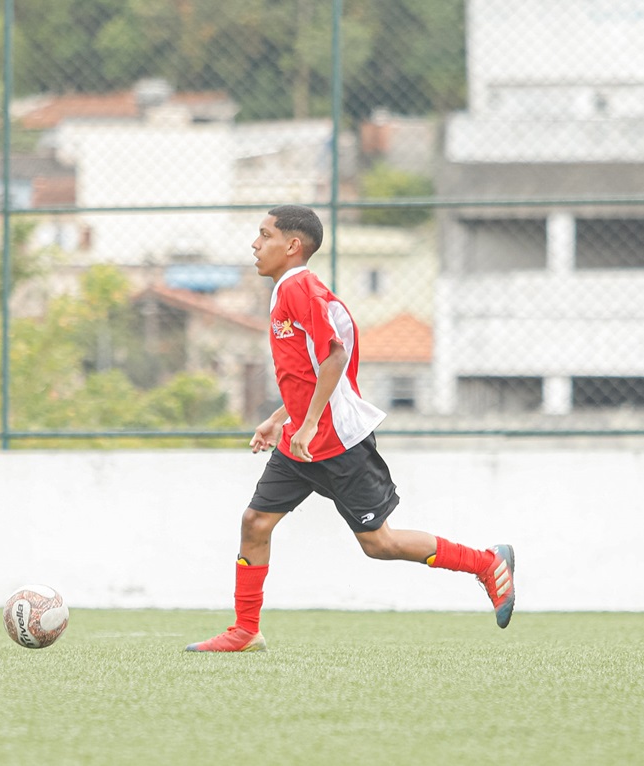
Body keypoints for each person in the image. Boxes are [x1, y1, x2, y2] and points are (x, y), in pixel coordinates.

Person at [186, 204, 515, 652]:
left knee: (380, 543)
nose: (255, 244)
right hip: (303, 440)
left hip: (338, 442)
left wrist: (309, 424)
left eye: (264, 235)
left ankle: (486, 563)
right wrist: (280, 419)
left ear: (292, 245)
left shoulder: (300, 288)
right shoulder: (287, 290)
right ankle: (246, 630)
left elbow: (334, 356)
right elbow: (308, 373)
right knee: (256, 522)